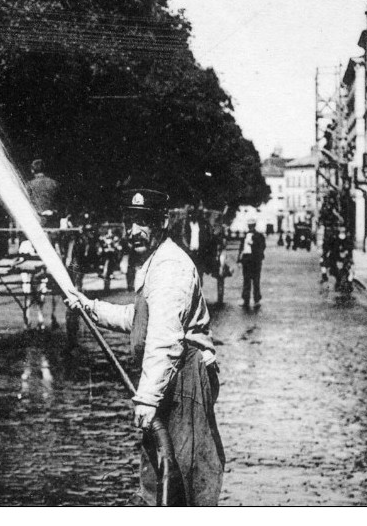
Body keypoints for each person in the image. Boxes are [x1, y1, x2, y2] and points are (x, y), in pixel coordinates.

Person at [64, 188, 225, 506]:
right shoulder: (154, 262)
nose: (133, 231)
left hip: (184, 378)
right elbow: (137, 318)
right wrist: (89, 306)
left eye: (143, 222)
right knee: (162, 472)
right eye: (129, 222)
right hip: (173, 378)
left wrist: (148, 398)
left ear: (161, 223)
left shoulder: (169, 267)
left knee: (185, 474)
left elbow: (165, 338)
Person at [240, 219, 266, 309]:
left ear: (254, 226)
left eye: (252, 226)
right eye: (249, 226)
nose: (250, 227)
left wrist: (253, 244)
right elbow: (241, 248)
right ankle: (246, 300)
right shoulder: (245, 235)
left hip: (255, 260)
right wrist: (239, 259)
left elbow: (262, 247)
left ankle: (256, 300)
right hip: (246, 259)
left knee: (256, 280)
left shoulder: (259, 235)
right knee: (246, 280)